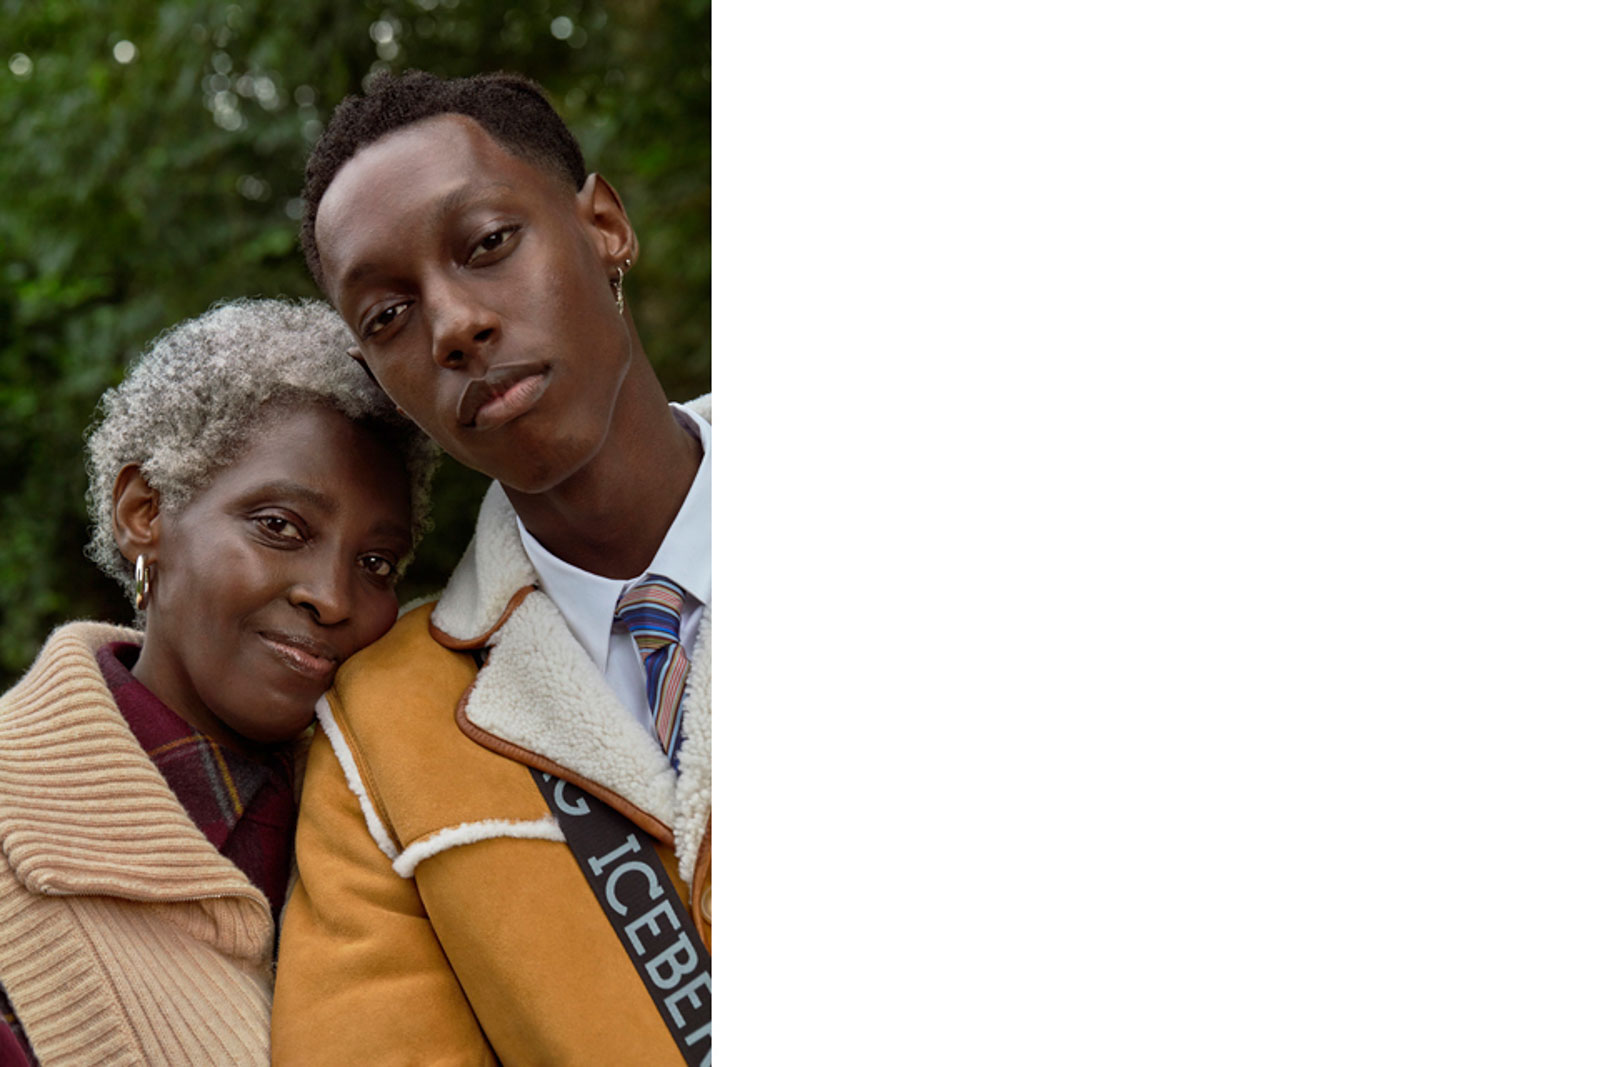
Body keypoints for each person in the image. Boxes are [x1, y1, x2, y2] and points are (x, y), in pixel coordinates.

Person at [272, 71, 711, 1064]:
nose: (454, 326)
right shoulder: (382, 738)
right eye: (388, 315)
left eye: (487, 244)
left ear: (604, 227)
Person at [0, 298, 434, 1066]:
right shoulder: (17, 837)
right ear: (144, 513)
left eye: (375, 564)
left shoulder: (409, 817)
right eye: (280, 526)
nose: (333, 597)